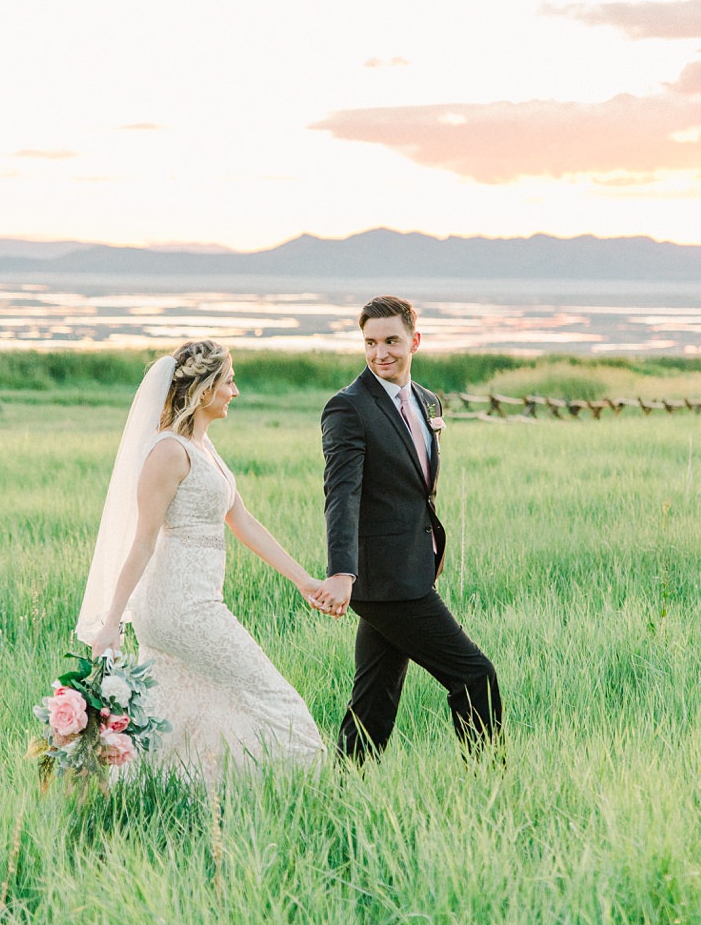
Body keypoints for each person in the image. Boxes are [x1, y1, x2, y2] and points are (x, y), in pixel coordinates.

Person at [78, 340, 326, 776]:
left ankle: (143, 797)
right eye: (229, 381)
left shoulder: (201, 446)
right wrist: (112, 622)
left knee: (178, 720)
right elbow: (142, 541)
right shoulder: (168, 452)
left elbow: (243, 520)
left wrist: (303, 581)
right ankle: (301, 770)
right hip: (181, 608)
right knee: (274, 698)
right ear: (204, 389)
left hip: (192, 603)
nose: (235, 391)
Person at [314, 296, 504, 762]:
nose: (381, 353)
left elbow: (417, 489)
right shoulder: (347, 408)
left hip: (413, 566)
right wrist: (342, 571)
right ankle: (490, 783)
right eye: (371, 342)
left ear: (414, 341)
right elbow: (342, 494)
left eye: (391, 341)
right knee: (474, 675)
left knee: (374, 701)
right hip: (384, 578)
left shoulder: (426, 401)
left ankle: (344, 789)